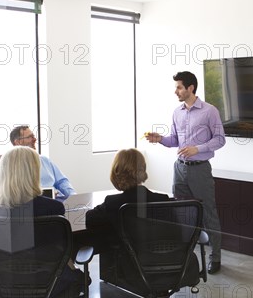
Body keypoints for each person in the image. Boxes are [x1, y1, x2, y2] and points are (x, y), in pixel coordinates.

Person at [0, 146, 84, 296]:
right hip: (50, 286)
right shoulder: (53, 207)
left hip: (4, 289)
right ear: (34, 173)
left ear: (2, 173)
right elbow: (64, 249)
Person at [145, 71, 226, 274]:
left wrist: (197, 148)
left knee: (208, 214)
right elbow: (175, 140)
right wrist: (160, 139)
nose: (176, 91)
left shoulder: (210, 111)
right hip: (179, 168)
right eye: (176, 87)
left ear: (191, 88)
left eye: (179, 87)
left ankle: (215, 258)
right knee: (180, 214)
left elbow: (220, 139)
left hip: (200, 170)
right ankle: (182, 256)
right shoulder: (177, 112)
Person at [85, 148, 170, 251]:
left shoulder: (112, 203)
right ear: (143, 169)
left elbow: (90, 219)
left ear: (116, 172)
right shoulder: (163, 200)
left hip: (128, 262)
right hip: (163, 260)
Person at [9, 125, 76, 198]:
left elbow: (62, 181)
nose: (34, 139)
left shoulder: (44, 160)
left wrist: (74, 197)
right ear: (17, 142)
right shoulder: (11, 165)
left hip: (58, 201)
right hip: (36, 204)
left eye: (33, 136)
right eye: (29, 137)